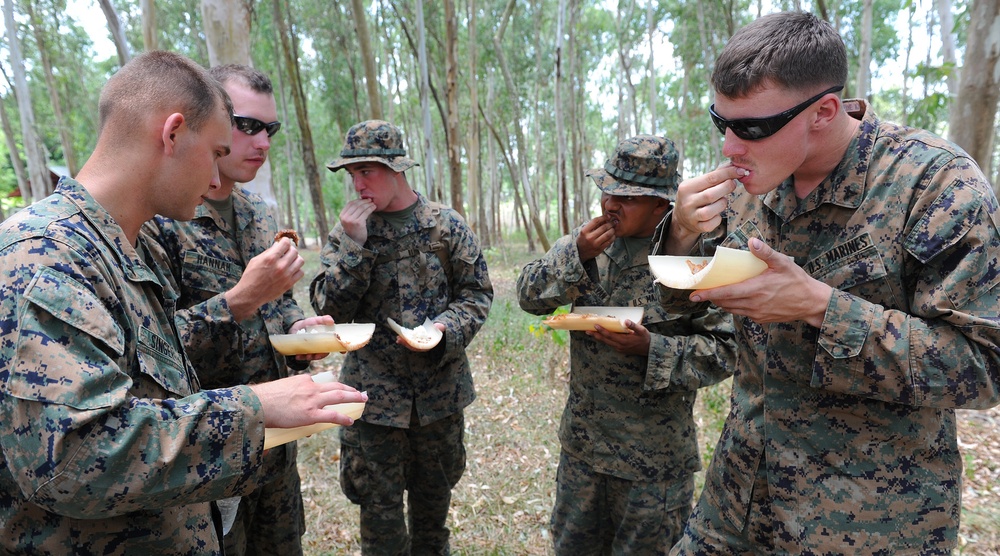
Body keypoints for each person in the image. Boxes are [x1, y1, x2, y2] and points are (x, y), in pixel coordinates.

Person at [651, 11, 1000, 555]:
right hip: (737, 506)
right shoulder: (746, 188)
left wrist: (821, 307)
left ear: (824, 111)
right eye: (721, 122)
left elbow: (984, 366)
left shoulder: (935, 185)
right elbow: (678, 319)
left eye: (751, 128)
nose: (729, 147)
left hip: (869, 523)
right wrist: (677, 236)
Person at [0, 50, 366, 555]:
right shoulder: (43, 258)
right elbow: (72, 459)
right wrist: (256, 407)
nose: (218, 180)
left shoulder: (122, 247)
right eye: (217, 152)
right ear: (172, 134)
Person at [516, 135, 736, 554]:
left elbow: (725, 350)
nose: (610, 204)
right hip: (584, 450)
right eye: (607, 191)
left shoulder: (698, 261)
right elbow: (528, 297)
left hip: (652, 465)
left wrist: (653, 348)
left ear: (662, 206)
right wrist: (574, 254)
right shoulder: (590, 245)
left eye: (627, 198)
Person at [143, 64, 322, 556]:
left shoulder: (259, 213)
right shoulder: (160, 220)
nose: (263, 142)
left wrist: (301, 333)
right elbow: (149, 350)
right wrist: (237, 302)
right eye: (247, 126)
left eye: (271, 129)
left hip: (276, 445)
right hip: (205, 456)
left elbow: (279, 304)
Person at [310, 120, 493, 554]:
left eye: (366, 172)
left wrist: (446, 329)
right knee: (381, 525)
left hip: (439, 400)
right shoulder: (348, 233)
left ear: (397, 170)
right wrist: (355, 247)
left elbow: (477, 293)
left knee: (432, 524)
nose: (357, 185)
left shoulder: (444, 226)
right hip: (374, 404)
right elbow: (329, 312)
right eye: (351, 175)